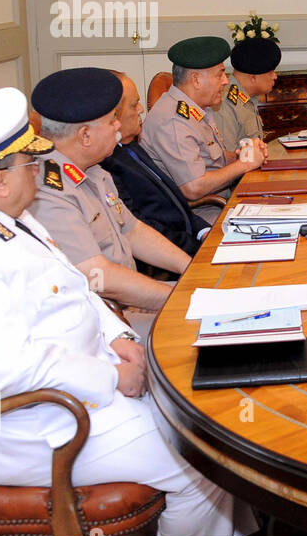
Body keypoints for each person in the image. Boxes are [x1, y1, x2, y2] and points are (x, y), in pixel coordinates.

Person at [0, 88, 255, 536]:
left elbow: (76, 288)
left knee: (213, 419)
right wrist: (112, 378)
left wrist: (120, 339)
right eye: (31, 164)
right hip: (25, 428)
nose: (41, 172)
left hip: (75, 394)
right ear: (0, 181)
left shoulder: (6, 218)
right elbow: (10, 369)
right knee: (203, 460)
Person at [27, 68, 192, 339]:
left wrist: (190, 270)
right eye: (111, 120)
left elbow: (132, 230)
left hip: (130, 304)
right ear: (85, 136)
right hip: (102, 325)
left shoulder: (91, 169)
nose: (119, 126)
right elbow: (99, 277)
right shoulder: (47, 192)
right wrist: (180, 296)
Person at [140, 36, 267, 221]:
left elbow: (211, 158)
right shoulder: (174, 120)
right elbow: (193, 187)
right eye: (220, 74)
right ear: (196, 80)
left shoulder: (198, 109)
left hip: (222, 203)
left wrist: (245, 154)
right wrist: (246, 164)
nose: (225, 81)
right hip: (201, 217)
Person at [103, 71, 211, 261]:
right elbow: (141, 226)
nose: (141, 110)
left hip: (190, 242)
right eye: (134, 105)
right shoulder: (108, 164)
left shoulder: (130, 147)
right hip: (168, 259)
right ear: (114, 116)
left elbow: (174, 202)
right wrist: (197, 249)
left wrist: (204, 231)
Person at [216, 30, 281, 154]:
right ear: (253, 77)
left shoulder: (247, 98)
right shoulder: (225, 103)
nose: (275, 76)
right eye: (270, 72)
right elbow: (228, 157)